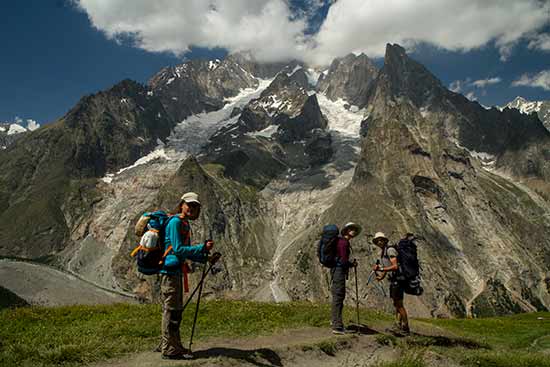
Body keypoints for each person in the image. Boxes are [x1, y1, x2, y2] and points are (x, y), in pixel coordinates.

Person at [160, 192, 214, 360]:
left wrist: (206, 257)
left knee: (175, 311)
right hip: (170, 273)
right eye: (189, 205)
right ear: (181, 205)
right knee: (171, 311)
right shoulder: (176, 222)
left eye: (195, 206)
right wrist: (201, 248)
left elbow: (185, 253)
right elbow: (177, 249)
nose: (192, 208)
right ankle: (169, 349)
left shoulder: (183, 224)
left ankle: (173, 345)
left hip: (176, 272)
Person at [372, 232, 410, 335]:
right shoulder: (384, 252)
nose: (379, 242)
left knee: (399, 304)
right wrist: (381, 276)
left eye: (381, 240)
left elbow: (395, 266)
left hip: (398, 280)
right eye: (377, 240)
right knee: (396, 303)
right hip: (395, 280)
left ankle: (405, 327)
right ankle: (398, 324)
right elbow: (387, 266)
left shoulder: (390, 250)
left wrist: (381, 268)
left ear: (385, 240)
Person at [331, 222, 360, 335]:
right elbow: (343, 261)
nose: (353, 231)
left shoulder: (341, 241)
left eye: (354, 229)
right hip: (339, 271)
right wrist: (351, 264)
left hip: (336, 270)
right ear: (346, 230)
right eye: (351, 229)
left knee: (337, 296)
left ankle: (336, 321)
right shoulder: (343, 243)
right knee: (338, 296)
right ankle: (337, 326)